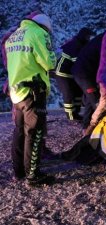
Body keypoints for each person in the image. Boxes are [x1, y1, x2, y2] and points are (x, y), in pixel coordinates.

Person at [5, 12, 57, 185]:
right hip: (33, 90)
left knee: (19, 131)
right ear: (45, 27)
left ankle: (19, 171)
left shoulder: (13, 36)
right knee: (34, 133)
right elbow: (49, 63)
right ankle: (33, 175)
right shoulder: (38, 33)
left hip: (16, 91)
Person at [55, 27, 94, 121]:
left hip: (71, 73)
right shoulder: (75, 45)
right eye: (88, 37)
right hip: (63, 73)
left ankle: (76, 112)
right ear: (84, 36)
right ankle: (71, 116)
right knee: (68, 94)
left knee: (78, 92)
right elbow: (79, 62)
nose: (89, 39)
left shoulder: (79, 43)